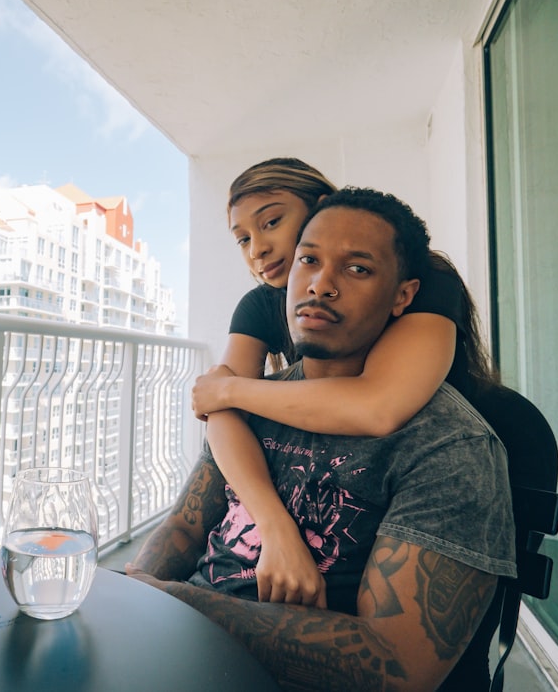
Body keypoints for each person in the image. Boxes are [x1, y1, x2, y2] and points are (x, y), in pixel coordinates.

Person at [126, 189, 516, 691]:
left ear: (403, 296)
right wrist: (130, 601)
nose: (321, 284)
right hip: (174, 651)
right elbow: (184, 523)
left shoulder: (450, 445)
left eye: (357, 269)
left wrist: (169, 602)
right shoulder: (258, 402)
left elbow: (396, 667)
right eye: (308, 260)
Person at [190, 158, 498, 608]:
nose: (257, 248)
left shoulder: (426, 280)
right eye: (243, 239)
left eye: (272, 222)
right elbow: (221, 417)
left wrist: (229, 389)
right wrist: (274, 526)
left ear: (321, 209)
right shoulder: (262, 304)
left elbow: (379, 406)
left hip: (414, 480)